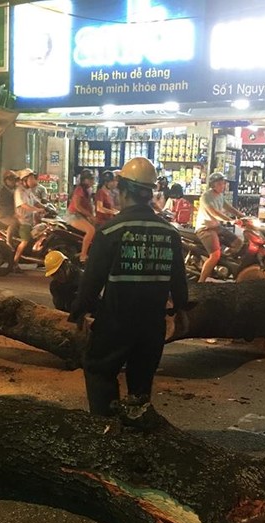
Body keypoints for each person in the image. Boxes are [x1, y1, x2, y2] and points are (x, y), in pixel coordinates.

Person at [69, 157, 188, 425]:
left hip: (116, 322)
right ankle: (136, 430)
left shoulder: (110, 230)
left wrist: (78, 311)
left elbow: (92, 281)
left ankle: (106, 429)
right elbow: (178, 279)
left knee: (99, 370)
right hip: (152, 325)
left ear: (122, 190)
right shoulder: (169, 232)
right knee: (141, 383)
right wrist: (181, 309)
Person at [194, 172, 244, 282]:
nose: (223, 186)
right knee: (215, 255)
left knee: (238, 242)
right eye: (220, 184)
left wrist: (242, 216)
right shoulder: (206, 196)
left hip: (216, 227)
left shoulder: (220, 196)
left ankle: (225, 262)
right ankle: (201, 281)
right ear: (213, 185)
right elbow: (214, 212)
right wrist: (231, 220)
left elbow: (229, 207)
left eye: (224, 183)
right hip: (205, 228)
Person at [12, 168, 44, 272]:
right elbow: (24, 205)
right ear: (24, 180)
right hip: (23, 221)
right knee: (25, 241)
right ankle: (15, 262)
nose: (33, 180)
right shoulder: (19, 191)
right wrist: (37, 209)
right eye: (31, 178)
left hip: (32, 220)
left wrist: (45, 207)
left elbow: (35, 201)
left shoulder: (28, 190)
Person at [67, 169, 96, 263]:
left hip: (80, 216)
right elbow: (77, 206)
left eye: (93, 179)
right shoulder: (79, 190)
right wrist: (90, 216)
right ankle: (83, 255)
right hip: (74, 215)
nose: (92, 181)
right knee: (91, 230)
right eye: (90, 179)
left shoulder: (88, 190)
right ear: (84, 180)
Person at [0, 169, 19, 246]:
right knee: (13, 223)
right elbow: (4, 206)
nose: (13, 182)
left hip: (14, 212)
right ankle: (8, 242)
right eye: (10, 180)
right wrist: (13, 213)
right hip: (4, 214)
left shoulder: (16, 190)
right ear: (6, 181)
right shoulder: (4, 192)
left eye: (14, 180)